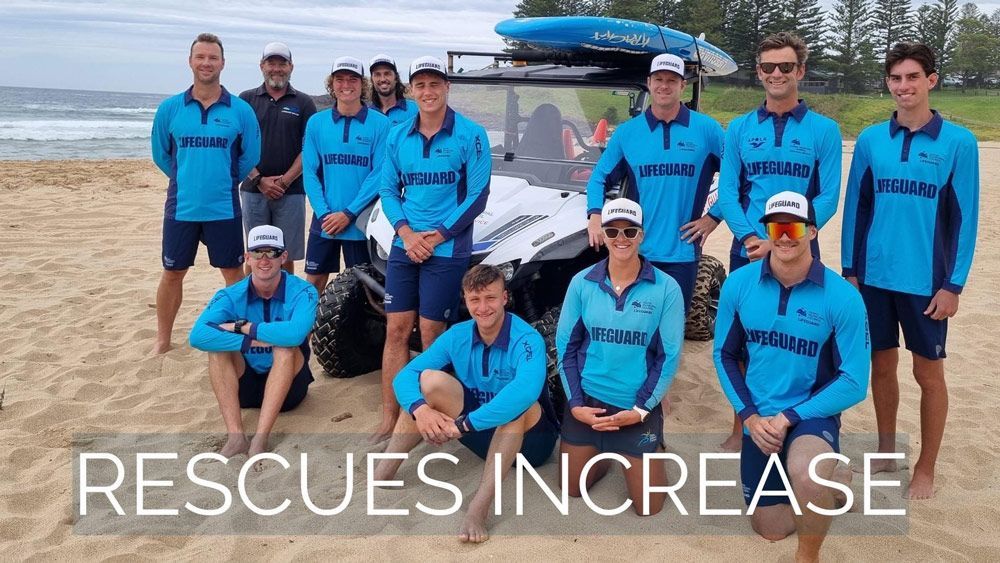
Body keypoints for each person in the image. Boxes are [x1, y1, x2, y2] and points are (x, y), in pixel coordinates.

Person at [841, 43, 979, 500]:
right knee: (882, 366)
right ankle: (886, 450)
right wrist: (850, 271)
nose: (904, 86)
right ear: (888, 83)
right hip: (874, 278)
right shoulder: (870, 140)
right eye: (896, 78)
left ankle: (925, 467)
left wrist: (953, 284)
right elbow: (857, 208)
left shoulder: (958, 142)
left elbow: (965, 218)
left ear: (931, 80)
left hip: (927, 283)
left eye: (913, 77)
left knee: (928, 375)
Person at [714, 191, 869, 559]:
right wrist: (750, 417)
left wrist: (789, 417)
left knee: (807, 473)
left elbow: (854, 381)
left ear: (812, 231)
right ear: (767, 232)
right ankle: (830, 481)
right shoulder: (739, 284)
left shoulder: (842, 296)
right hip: (760, 419)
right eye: (776, 228)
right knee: (770, 529)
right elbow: (724, 355)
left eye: (794, 227)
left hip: (809, 415)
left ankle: (808, 554)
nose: (785, 236)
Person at [715, 32, 842, 450]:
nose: (776, 74)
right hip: (748, 249)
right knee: (742, 342)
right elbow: (729, 193)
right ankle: (742, 426)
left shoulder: (824, 130)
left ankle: (796, 420)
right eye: (768, 67)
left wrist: (780, 238)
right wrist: (752, 237)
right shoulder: (739, 128)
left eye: (785, 66)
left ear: (800, 71)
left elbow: (828, 198)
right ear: (758, 72)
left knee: (795, 338)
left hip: (798, 249)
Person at [375, 265, 559, 543]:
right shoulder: (458, 335)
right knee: (428, 381)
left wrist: (465, 424)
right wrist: (420, 410)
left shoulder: (526, 339)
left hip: (532, 445)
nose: (483, 308)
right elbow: (405, 376)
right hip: (480, 432)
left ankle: (478, 509)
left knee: (517, 405)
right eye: (475, 299)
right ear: (466, 300)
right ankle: (382, 474)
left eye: (490, 298)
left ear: (505, 297)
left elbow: (525, 392)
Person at [375, 56, 491, 443]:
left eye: (435, 84)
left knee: (432, 331)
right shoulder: (397, 135)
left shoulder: (471, 134)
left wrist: (437, 236)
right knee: (395, 329)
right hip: (405, 244)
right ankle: (390, 415)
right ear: (411, 90)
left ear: (447, 87)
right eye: (421, 85)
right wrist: (407, 234)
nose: (428, 92)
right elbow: (388, 190)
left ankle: (434, 416)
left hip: (447, 247)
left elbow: (477, 196)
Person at [556, 198, 685, 516]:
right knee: (571, 488)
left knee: (648, 508)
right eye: (612, 231)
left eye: (630, 231)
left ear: (641, 235)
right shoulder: (581, 282)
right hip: (588, 404)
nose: (621, 238)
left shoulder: (666, 288)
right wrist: (576, 405)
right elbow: (566, 349)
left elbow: (669, 356)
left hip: (635, 407)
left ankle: (650, 444)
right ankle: (603, 450)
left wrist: (641, 410)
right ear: (603, 234)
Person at [586, 53, 724, 313]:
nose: (664, 86)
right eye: (658, 79)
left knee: (673, 326)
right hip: (635, 250)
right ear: (649, 82)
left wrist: (713, 218)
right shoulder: (627, 133)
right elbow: (598, 179)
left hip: (682, 254)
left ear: (683, 85)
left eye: (672, 80)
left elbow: (736, 178)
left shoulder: (708, 130)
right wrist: (595, 215)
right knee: (634, 321)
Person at [151, 33, 261, 354]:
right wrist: (188, 177)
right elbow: (161, 155)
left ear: (223, 63)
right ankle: (162, 340)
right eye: (200, 57)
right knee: (173, 272)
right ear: (190, 61)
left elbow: (250, 156)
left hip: (223, 207)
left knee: (233, 274)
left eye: (213, 57)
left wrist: (222, 180)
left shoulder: (240, 111)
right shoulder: (170, 109)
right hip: (181, 207)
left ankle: (240, 337)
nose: (206, 63)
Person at [189, 226, 318, 457]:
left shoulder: (304, 291)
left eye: (272, 252)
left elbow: (295, 335)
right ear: (247, 258)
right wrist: (248, 343)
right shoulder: (230, 294)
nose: (264, 260)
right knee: (216, 350)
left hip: (289, 391)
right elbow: (198, 336)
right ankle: (236, 437)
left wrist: (244, 328)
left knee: (285, 348)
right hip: (244, 387)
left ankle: (260, 439)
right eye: (258, 253)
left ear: (284, 257)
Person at [301, 56, 389, 295]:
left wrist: (349, 213)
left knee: (362, 288)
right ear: (332, 84)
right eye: (339, 79)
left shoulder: (381, 124)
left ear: (363, 84)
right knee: (314, 282)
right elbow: (310, 173)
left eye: (353, 79)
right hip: (325, 219)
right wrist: (324, 214)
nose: (346, 85)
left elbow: (379, 174)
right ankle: (308, 323)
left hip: (361, 220)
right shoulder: (316, 123)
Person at [239, 41, 317, 275]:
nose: (277, 69)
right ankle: (251, 297)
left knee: (285, 255)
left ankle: (284, 297)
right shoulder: (246, 100)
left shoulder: (304, 103)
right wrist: (259, 179)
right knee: (255, 254)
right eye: (271, 63)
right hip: (253, 190)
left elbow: (309, 148)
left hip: (291, 192)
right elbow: (238, 144)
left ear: (291, 67)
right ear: (262, 66)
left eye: (282, 64)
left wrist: (284, 182)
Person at [368, 54, 418, 127]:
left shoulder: (415, 110)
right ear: (372, 80)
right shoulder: (367, 114)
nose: (383, 79)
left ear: (396, 78)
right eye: (377, 74)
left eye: (387, 73)